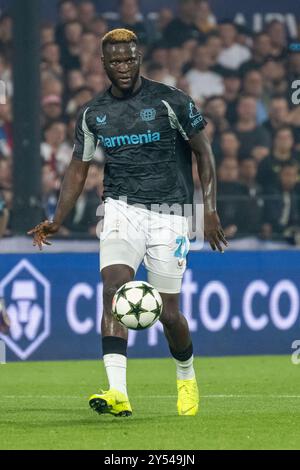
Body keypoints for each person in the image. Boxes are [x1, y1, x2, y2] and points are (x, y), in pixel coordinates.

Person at [28, 29, 227, 417]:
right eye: (115, 61)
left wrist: (210, 208)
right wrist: (58, 219)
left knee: (169, 313)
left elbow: (204, 153)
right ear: (103, 64)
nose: (123, 66)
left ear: (140, 59)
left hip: (172, 213)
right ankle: (118, 391)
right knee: (113, 288)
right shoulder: (92, 114)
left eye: (129, 59)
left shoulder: (171, 100)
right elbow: (77, 168)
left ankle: (186, 374)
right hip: (120, 208)